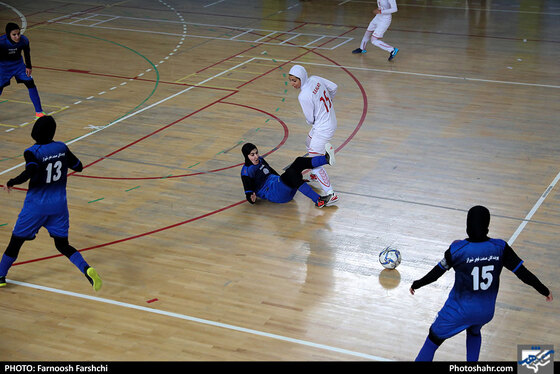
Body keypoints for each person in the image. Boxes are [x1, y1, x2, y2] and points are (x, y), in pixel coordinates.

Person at [410, 205, 553, 361]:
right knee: (474, 331)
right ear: (487, 225)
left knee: (433, 339)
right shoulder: (500, 247)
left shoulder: (457, 249)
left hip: (459, 311)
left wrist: (416, 284)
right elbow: (523, 274)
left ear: (468, 225)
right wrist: (544, 290)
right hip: (485, 312)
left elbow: (436, 274)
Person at [0, 116, 101, 291]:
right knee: (63, 245)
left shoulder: (32, 151)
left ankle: (0, 276)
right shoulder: (61, 147)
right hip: (59, 206)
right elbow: (78, 166)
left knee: (15, 242)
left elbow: (30, 171)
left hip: (36, 207)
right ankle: (87, 269)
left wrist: (12, 181)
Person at [288, 65, 339, 206]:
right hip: (329, 120)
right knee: (309, 143)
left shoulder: (303, 95)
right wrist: (328, 104)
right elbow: (334, 87)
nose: (292, 83)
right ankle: (315, 175)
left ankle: (330, 194)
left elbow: (310, 119)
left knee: (315, 162)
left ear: (302, 78)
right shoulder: (314, 79)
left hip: (323, 128)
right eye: (290, 80)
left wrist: (317, 114)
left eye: (294, 81)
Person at [241, 142, 336, 208]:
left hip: (280, 186)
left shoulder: (260, 159)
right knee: (291, 173)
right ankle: (319, 200)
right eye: (252, 155)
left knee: (299, 161)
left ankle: (326, 159)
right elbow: (248, 192)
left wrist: (284, 179)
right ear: (247, 156)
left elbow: (270, 170)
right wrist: (251, 199)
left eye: (256, 153)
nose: (256, 156)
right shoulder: (246, 172)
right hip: (275, 194)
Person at [0, 22, 45, 118]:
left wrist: (28, 66)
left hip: (18, 66)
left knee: (30, 83)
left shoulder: (24, 40)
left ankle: (39, 112)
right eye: (14, 35)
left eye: (18, 34)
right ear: (8, 34)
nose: (17, 36)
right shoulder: (1, 42)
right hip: (4, 68)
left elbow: (27, 53)